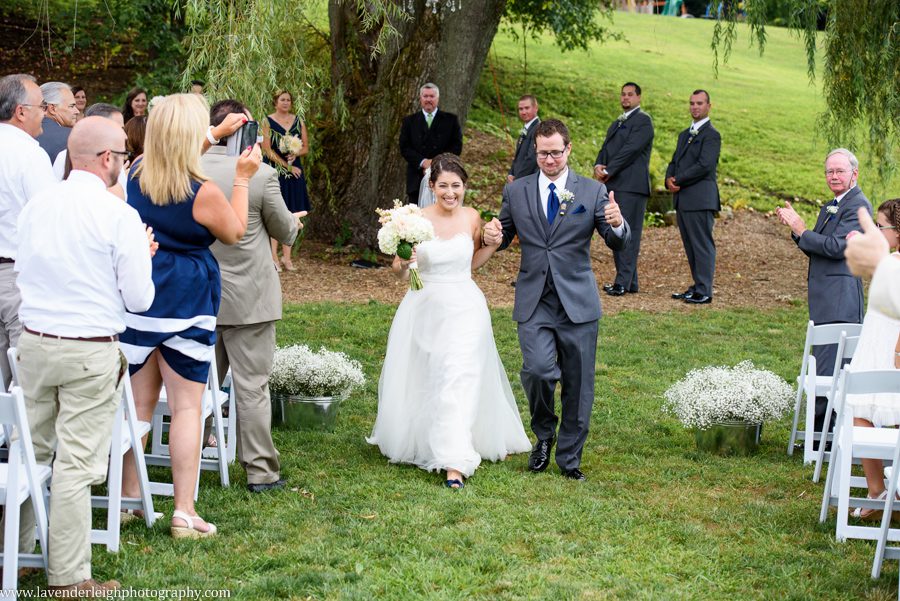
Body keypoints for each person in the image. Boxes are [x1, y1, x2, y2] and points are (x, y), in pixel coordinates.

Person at [13, 116, 155, 596]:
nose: (126, 162)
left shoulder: (37, 206)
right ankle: (71, 578)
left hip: (33, 343)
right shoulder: (119, 216)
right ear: (107, 159)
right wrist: (144, 258)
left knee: (28, 453)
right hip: (89, 350)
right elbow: (139, 299)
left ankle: (14, 555)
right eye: (123, 154)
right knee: (75, 465)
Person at [118, 93, 258, 538]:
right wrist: (242, 179)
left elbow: (175, 154)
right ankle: (183, 510)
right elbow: (235, 232)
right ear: (190, 137)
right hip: (188, 299)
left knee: (139, 405)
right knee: (185, 407)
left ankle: (125, 497)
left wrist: (212, 134)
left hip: (141, 294)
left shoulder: (133, 174)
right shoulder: (204, 192)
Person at [368, 154, 531, 489]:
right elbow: (399, 273)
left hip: (465, 307)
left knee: (458, 375)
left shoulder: (472, 217)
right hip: (424, 306)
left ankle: (454, 461)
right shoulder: (412, 220)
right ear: (431, 186)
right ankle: (429, 439)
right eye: (443, 185)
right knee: (431, 375)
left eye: (456, 186)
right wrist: (402, 259)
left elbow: (472, 263)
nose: (450, 192)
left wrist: (493, 244)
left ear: (464, 187)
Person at [484, 119, 631, 481]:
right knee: (536, 372)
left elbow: (617, 241)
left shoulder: (593, 192)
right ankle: (544, 434)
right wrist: (491, 234)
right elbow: (503, 235)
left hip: (577, 302)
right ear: (535, 151)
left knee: (579, 384)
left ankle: (569, 459)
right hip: (535, 299)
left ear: (568, 150)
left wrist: (617, 223)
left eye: (555, 152)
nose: (548, 159)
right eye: (542, 153)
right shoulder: (517, 192)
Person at [203, 98, 302, 493]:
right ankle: (260, 471)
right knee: (252, 386)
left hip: (201, 297)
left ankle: (191, 453)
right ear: (243, 130)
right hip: (250, 298)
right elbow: (285, 231)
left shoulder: (187, 170)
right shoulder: (260, 176)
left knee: (197, 383)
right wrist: (295, 224)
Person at [776, 148, 872, 434]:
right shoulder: (832, 204)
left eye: (840, 170)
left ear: (854, 173)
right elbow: (820, 248)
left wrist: (802, 229)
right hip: (826, 296)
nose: (834, 176)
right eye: (829, 171)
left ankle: (823, 436)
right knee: (825, 362)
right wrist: (798, 233)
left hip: (840, 298)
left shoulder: (858, 206)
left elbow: (836, 247)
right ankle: (822, 432)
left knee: (831, 367)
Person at [842, 199, 900, 519]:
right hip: (875, 344)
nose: (877, 231)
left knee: (884, 411)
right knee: (861, 410)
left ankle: (886, 493)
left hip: (890, 350)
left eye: (882, 227)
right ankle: (878, 491)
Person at [0, 74, 55, 388]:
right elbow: (45, 220)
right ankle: (22, 438)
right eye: (41, 106)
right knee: (26, 378)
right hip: (17, 275)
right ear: (20, 111)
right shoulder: (29, 154)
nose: (45, 113)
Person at [593, 82, 654, 296]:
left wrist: (609, 169)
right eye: (623, 94)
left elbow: (630, 150)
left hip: (632, 186)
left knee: (629, 233)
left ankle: (622, 282)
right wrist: (598, 165)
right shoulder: (617, 123)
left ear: (639, 97)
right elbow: (606, 148)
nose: (626, 98)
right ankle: (630, 281)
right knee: (618, 231)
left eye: (630, 94)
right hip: (615, 185)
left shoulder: (643, 121)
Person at [666, 89, 721, 305]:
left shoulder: (712, 135)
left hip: (700, 198)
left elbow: (704, 165)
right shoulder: (684, 135)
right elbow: (674, 160)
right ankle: (697, 285)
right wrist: (668, 178)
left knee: (702, 244)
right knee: (690, 245)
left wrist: (678, 179)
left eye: (699, 103)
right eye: (692, 103)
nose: (695, 107)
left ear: (709, 106)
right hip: (684, 200)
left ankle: (705, 290)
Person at [262, 90, 309, 271]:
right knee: (276, 211)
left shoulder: (298, 121)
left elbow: (306, 147)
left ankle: (287, 258)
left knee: (292, 211)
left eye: (288, 100)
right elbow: (267, 150)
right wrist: (287, 166)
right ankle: (274, 256)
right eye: (282, 99)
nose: (286, 102)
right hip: (276, 171)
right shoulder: (267, 121)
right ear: (275, 102)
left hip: (295, 172)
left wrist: (295, 152)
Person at [399, 83, 463, 206]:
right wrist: (423, 162)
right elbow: (404, 147)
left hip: (444, 178)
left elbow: (456, 146)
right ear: (420, 98)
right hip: (416, 179)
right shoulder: (409, 121)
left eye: (432, 96)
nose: (428, 99)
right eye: (425, 96)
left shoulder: (451, 120)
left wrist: (435, 163)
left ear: (437, 98)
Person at [55, 103, 124, 181]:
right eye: (118, 128)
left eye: (122, 129)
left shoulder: (114, 157)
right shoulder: (64, 157)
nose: (125, 135)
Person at [36, 81, 79, 163]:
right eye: (71, 106)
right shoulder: (71, 136)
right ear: (52, 109)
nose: (77, 111)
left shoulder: (23, 133)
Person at [507, 95, 540, 183]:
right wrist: (510, 173)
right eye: (521, 109)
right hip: (517, 178)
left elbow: (531, 158)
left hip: (527, 180)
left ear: (536, 108)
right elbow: (518, 156)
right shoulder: (527, 128)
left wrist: (517, 179)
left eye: (527, 108)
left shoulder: (538, 129)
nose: (523, 112)